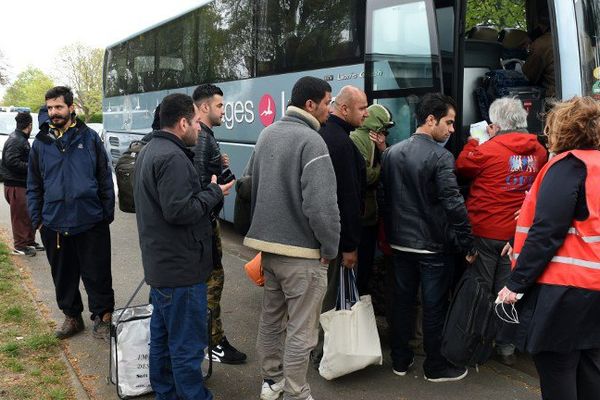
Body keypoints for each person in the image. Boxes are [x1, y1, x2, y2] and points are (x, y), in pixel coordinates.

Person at [243, 76, 340, 400]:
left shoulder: (267, 134)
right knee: (302, 330)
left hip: (269, 252)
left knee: (271, 319)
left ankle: (272, 382)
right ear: (310, 104)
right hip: (303, 256)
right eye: (328, 102)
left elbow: (249, 184)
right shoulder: (312, 142)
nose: (331, 108)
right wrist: (330, 247)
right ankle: (298, 393)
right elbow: (322, 206)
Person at [498, 96, 600, 400]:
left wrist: (515, 285)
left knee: (558, 370)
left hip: (563, 292)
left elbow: (547, 231)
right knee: (590, 369)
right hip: (593, 287)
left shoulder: (568, 166)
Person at [134, 93, 233, 400]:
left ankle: (167, 394)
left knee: (162, 344)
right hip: (181, 271)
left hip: (164, 267)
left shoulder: (151, 149)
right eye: (194, 123)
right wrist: (214, 192)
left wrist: (205, 191)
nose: (199, 129)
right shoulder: (172, 157)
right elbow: (179, 211)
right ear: (181, 123)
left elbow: (172, 204)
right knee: (186, 348)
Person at [380, 93, 475, 382]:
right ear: (430, 119)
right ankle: (434, 367)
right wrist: (467, 243)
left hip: (399, 242)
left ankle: (400, 360)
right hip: (433, 246)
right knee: (434, 307)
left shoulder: (391, 152)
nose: (451, 129)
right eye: (448, 122)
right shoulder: (441, 156)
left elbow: (384, 197)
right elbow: (453, 203)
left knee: (402, 302)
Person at [455, 97, 548, 365]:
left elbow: (462, 166)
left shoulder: (487, 150)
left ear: (495, 125)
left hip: (484, 230)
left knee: (482, 289)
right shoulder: (539, 152)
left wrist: (475, 140)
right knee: (509, 291)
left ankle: (477, 343)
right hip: (518, 234)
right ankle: (506, 347)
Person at [27, 86, 115, 340]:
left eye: (58, 107)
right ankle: (72, 317)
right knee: (63, 276)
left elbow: (104, 177)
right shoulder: (41, 144)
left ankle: (103, 318)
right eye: (50, 108)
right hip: (53, 223)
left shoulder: (88, 138)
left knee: (97, 273)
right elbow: (33, 184)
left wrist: (105, 213)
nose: (53, 112)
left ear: (71, 107)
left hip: (90, 220)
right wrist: (38, 219)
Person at [191, 83, 246, 364]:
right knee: (213, 282)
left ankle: (209, 339)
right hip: (204, 223)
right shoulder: (202, 138)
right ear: (204, 108)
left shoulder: (205, 137)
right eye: (220, 105)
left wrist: (218, 164)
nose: (224, 110)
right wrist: (220, 188)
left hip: (204, 221)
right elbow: (200, 185)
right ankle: (212, 342)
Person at [319, 85, 368, 309]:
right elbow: (347, 198)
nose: (366, 113)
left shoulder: (327, 133)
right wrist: (349, 246)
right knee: (327, 304)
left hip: (324, 238)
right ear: (345, 109)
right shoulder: (341, 143)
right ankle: (320, 345)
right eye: (363, 108)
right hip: (336, 243)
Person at [349, 104, 394, 295]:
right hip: (362, 216)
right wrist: (380, 169)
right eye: (383, 127)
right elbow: (366, 176)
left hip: (371, 214)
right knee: (359, 264)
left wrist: (383, 149)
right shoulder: (357, 139)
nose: (384, 132)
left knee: (366, 263)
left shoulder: (374, 141)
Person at [1, 112, 42, 256]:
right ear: (30, 125)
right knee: (19, 216)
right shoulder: (16, 139)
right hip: (15, 185)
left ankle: (29, 241)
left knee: (28, 214)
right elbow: (11, 162)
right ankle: (19, 246)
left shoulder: (20, 138)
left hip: (22, 184)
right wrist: (33, 166)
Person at [522, 19, 555, 98]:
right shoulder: (583, 38)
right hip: (583, 100)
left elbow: (528, 77)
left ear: (542, 26)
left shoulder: (540, 44)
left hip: (553, 99)